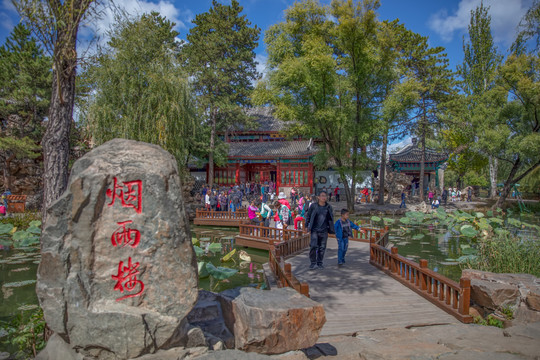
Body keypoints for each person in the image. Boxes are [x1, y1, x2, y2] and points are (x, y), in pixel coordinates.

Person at [305, 191, 335, 270]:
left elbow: (331, 218)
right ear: (318, 197)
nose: (323, 197)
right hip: (314, 229)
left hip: (324, 230)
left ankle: (319, 262)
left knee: (322, 247)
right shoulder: (313, 206)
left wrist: (331, 228)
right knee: (313, 246)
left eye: (325, 196)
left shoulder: (328, 207)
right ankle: (313, 262)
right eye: (322, 196)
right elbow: (308, 215)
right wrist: (306, 225)